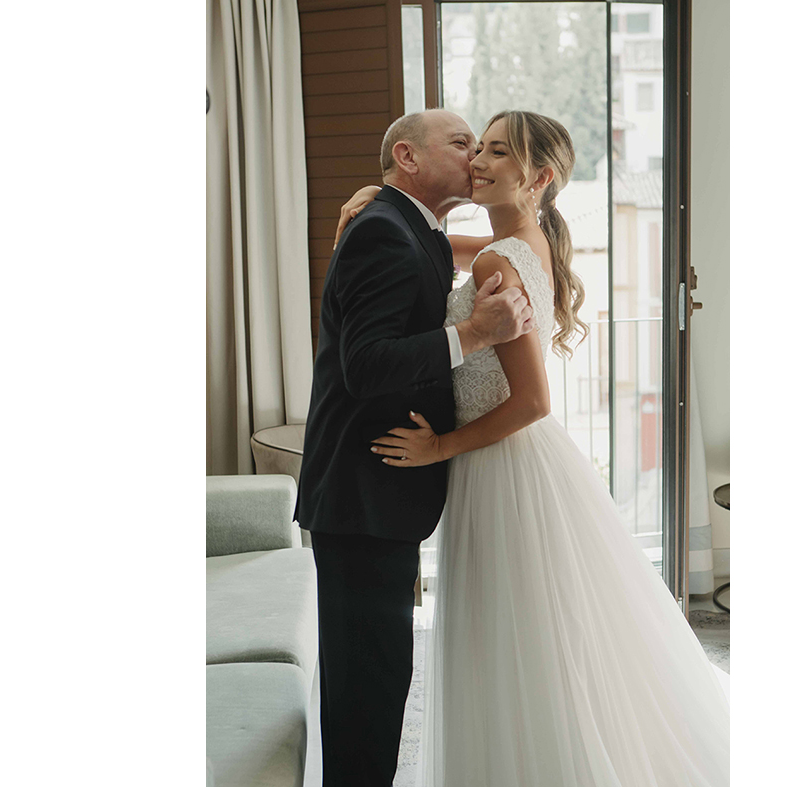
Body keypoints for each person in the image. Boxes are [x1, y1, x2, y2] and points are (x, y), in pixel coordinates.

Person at [342, 110, 732, 786]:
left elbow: (531, 401)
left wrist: (439, 448)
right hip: (512, 460)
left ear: (539, 177)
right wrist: (380, 195)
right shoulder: (522, 241)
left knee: (518, 636)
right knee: (536, 635)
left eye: (497, 152)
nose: (478, 161)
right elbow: (439, 242)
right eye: (477, 148)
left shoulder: (502, 257)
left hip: (502, 462)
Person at [295, 108, 537, 787]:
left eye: (484, 148)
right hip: (363, 492)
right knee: (365, 692)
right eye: (461, 144)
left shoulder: (415, 228)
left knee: (377, 681)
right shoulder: (384, 231)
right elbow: (364, 366)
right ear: (408, 157)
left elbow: (508, 233)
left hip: (381, 492)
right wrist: (477, 333)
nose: (475, 158)